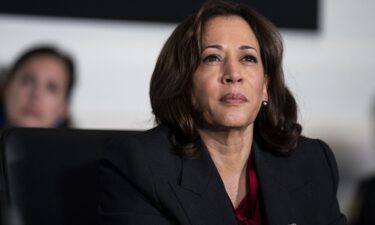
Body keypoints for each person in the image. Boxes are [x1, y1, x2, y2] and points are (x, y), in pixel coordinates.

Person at [98, 1, 347, 224]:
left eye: (248, 58)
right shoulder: (141, 166)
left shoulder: (312, 163)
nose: (233, 74)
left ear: (265, 87)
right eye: (212, 58)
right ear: (184, 83)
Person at [0, 45, 76, 128]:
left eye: (51, 88)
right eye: (28, 81)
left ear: (64, 107)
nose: (36, 94)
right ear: (7, 88)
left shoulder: (78, 141)